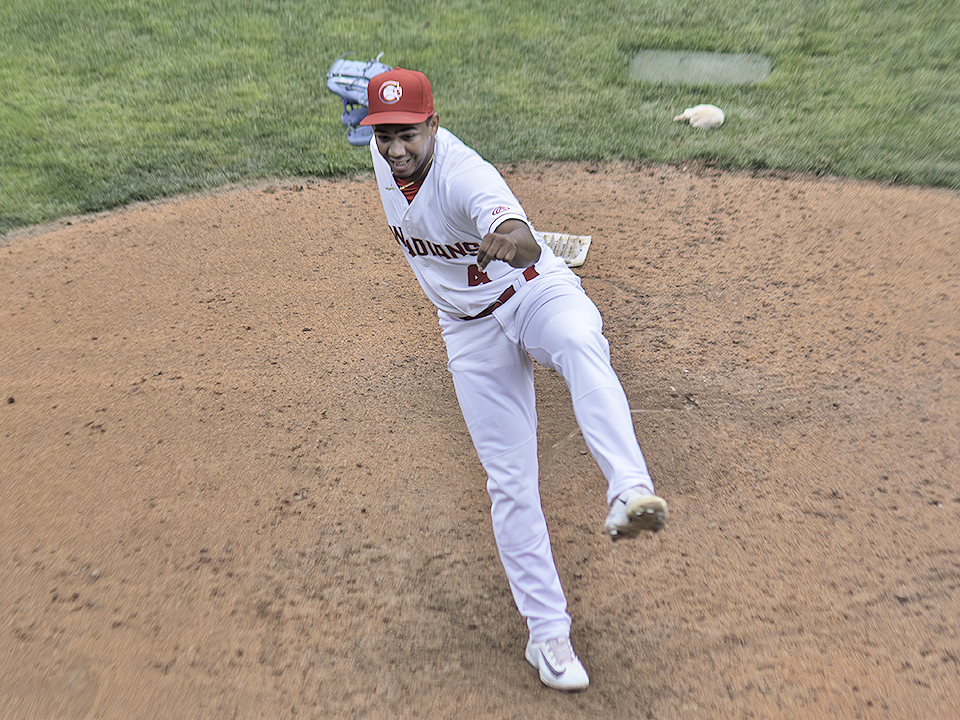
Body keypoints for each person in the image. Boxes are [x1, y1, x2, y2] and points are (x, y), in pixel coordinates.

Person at [358, 68, 668, 692]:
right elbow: (381, 121)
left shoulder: (465, 174)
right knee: (510, 481)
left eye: (408, 134)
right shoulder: (379, 151)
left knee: (581, 340)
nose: (395, 148)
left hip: (532, 292)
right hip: (467, 330)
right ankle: (546, 635)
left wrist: (511, 241)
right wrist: (371, 100)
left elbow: (522, 240)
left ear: (435, 126)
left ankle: (629, 490)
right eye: (384, 133)